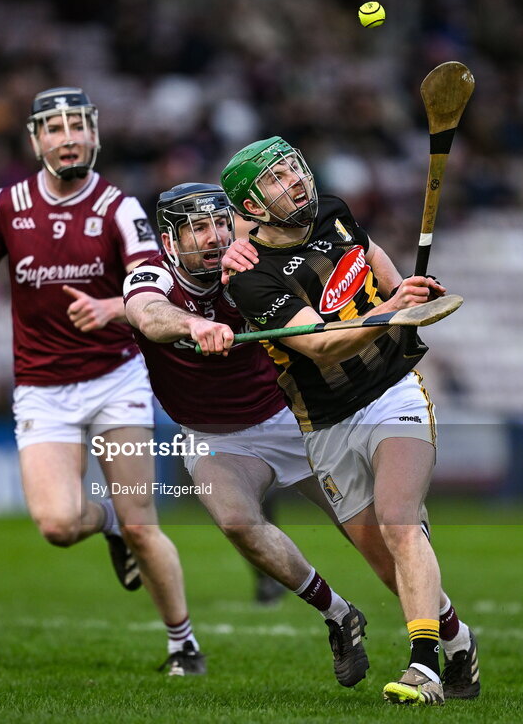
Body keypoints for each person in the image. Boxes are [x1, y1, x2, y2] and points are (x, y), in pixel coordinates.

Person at [0, 88, 204, 675]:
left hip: (115, 379)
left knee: (142, 522)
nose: (68, 136)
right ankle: (107, 528)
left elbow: (152, 290)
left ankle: (184, 645)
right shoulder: (7, 207)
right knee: (55, 524)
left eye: (78, 124)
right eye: (54, 128)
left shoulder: (121, 209)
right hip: (43, 389)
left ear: (95, 134)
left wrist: (111, 307)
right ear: (36, 140)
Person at [220, 137, 478, 704]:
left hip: (393, 392)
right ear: (253, 207)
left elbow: (369, 253)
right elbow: (324, 346)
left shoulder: (333, 211)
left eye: (294, 170)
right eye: (277, 180)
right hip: (327, 422)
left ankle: (424, 668)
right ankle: (458, 641)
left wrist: (397, 289)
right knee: (386, 565)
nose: (296, 183)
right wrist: (393, 310)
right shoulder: (249, 278)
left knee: (399, 520)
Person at [124, 182, 371, 687]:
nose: (213, 237)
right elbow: (148, 316)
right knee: (237, 522)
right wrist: (193, 325)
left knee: (374, 533)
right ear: (169, 242)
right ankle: (338, 614)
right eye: (197, 228)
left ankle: (445, 634)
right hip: (216, 435)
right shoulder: (152, 275)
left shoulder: (254, 258)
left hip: (290, 416)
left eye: (219, 223)